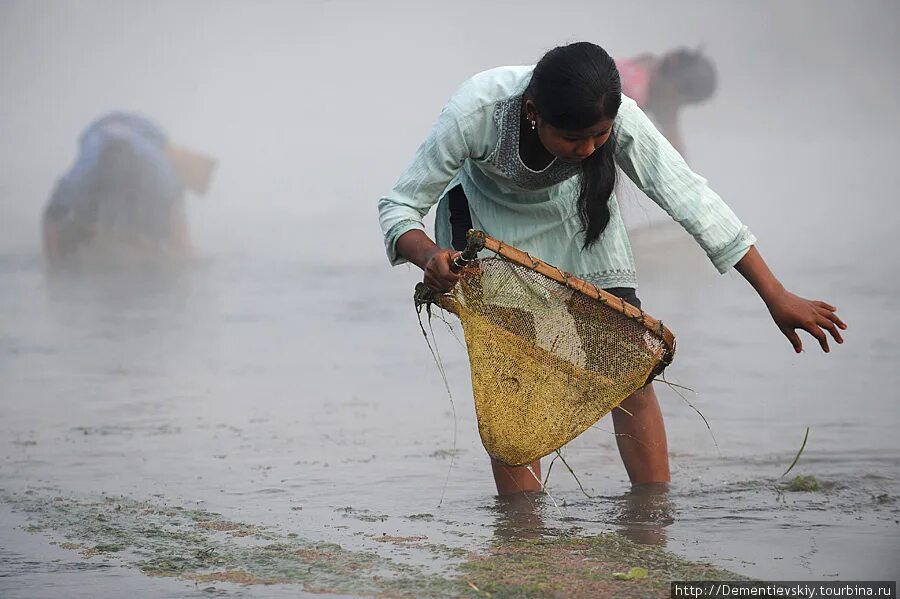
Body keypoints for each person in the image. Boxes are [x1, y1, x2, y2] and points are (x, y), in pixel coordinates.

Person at [377, 42, 846, 496]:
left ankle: (652, 511)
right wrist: (431, 256)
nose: (587, 150)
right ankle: (522, 531)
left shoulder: (623, 121)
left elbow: (692, 200)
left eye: (598, 138)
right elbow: (399, 207)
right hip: (489, 231)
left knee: (627, 369)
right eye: (572, 138)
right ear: (533, 112)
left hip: (580, 222)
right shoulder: (475, 111)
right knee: (514, 383)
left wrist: (775, 295)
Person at [42, 112, 215, 266]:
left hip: (142, 148)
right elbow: (56, 209)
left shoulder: (155, 164)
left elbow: (173, 206)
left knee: (160, 230)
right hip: (128, 154)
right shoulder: (93, 158)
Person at [615, 47, 717, 158]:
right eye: (682, 102)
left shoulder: (647, 62)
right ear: (676, 90)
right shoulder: (637, 97)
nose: (677, 107)